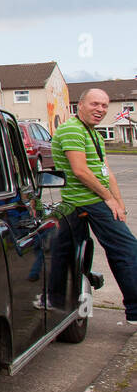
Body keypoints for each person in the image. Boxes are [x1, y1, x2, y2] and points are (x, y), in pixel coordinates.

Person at [43, 88, 137, 324]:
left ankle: (73, 311)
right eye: (95, 104)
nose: (100, 109)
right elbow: (80, 171)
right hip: (87, 201)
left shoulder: (93, 133)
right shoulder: (72, 130)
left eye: (105, 105)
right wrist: (107, 198)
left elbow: (107, 172)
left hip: (98, 199)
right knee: (128, 251)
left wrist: (119, 204)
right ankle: (135, 311)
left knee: (80, 257)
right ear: (80, 105)